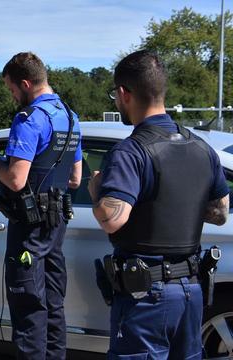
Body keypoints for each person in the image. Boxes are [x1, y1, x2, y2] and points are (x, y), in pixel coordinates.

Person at [88, 50, 229, 359]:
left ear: (124, 94)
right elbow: (220, 213)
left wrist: (96, 190)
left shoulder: (131, 152)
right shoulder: (202, 149)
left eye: (115, 94)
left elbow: (113, 219)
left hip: (146, 297)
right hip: (191, 291)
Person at [0, 52, 83, 360]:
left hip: (29, 227)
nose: (13, 97)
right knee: (52, 305)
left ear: (25, 84)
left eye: (12, 90)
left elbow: (15, 179)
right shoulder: (70, 116)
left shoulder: (29, 119)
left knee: (28, 311)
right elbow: (75, 178)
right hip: (55, 226)